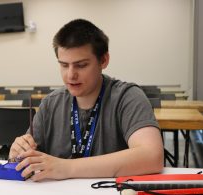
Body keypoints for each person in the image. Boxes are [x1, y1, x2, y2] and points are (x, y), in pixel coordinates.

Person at [10, 19, 164, 181]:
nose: (70, 75)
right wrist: (18, 154)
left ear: (103, 60)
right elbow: (28, 159)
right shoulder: (51, 103)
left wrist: (67, 167)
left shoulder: (127, 97)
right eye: (64, 65)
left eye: (81, 65)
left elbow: (152, 156)